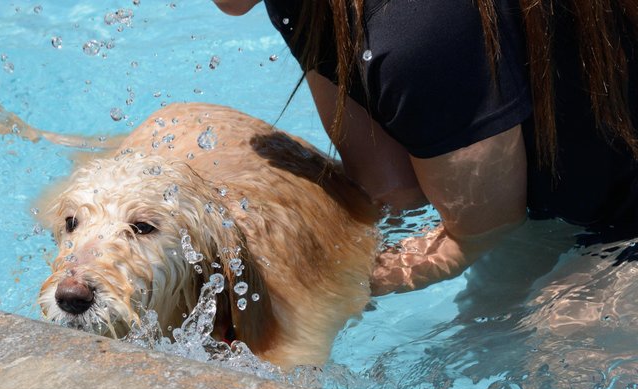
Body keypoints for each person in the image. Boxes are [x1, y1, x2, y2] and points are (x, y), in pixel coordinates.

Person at [212, 0, 638, 295]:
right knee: (487, 330)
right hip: (571, 204)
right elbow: (389, 189)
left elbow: (479, 233)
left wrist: (305, 283)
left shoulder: (414, 27)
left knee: (562, 343)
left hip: (623, 209)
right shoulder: (304, 8)